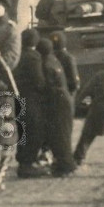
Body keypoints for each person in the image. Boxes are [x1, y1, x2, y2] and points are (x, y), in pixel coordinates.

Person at [37, 37, 78, 177]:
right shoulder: (55, 60)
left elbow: (45, 85)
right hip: (64, 100)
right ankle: (64, 164)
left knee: (59, 136)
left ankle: (66, 166)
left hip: (57, 102)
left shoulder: (46, 63)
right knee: (62, 135)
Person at [14, 28, 47, 178]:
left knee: (22, 131)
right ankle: (28, 164)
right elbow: (38, 80)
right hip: (32, 98)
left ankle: (23, 162)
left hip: (18, 97)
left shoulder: (18, 55)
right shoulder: (34, 57)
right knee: (35, 130)